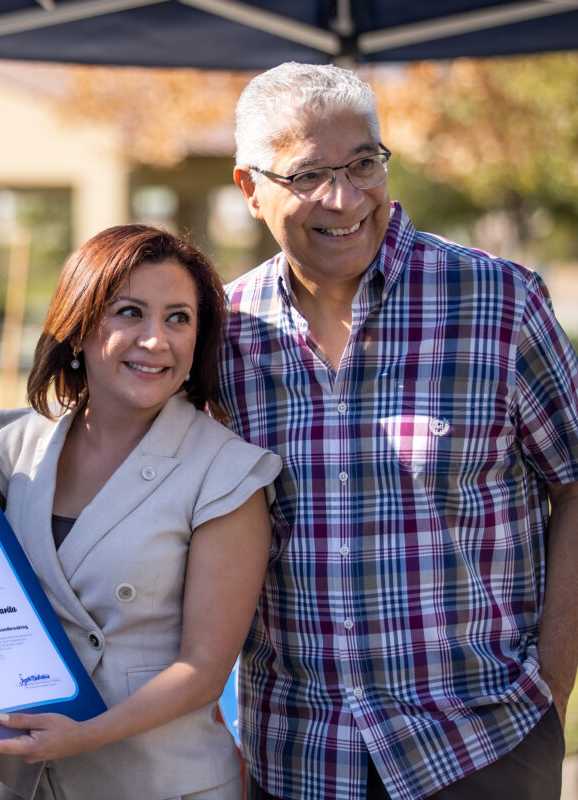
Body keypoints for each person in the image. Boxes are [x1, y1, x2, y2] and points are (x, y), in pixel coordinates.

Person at [219, 61, 578, 800]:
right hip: (297, 757)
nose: (344, 198)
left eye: (363, 164)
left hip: (482, 744)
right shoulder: (223, 335)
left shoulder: (499, 304)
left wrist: (553, 685)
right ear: (250, 190)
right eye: (308, 174)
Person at [0, 224, 281, 800]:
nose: (155, 339)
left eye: (178, 318)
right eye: (130, 312)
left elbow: (204, 671)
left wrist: (80, 735)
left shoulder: (228, 472)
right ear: (79, 327)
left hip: (160, 781)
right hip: (18, 781)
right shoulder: (13, 451)